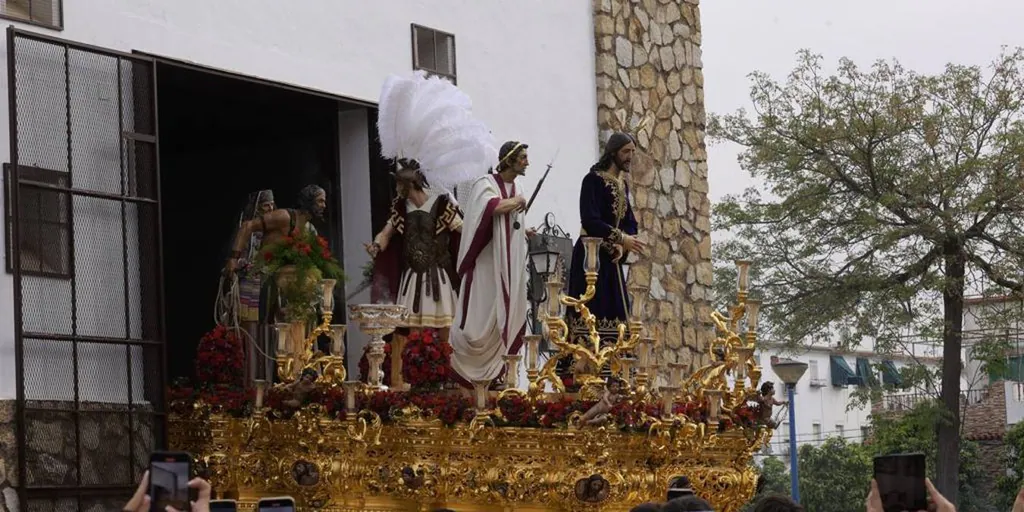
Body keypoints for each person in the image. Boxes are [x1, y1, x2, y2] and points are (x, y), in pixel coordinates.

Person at [449, 141, 532, 385]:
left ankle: (500, 372)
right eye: (523, 158)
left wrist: (526, 231)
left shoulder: (518, 186)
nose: (527, 162)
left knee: (506, 312)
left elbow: (512, 223)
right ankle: (469, 369)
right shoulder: (485, 184)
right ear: (509, 159)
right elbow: (488, 209)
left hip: (510, 264)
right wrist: (516, 202)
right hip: (486, 262)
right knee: (480, 314)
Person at [366, 159, 462, 340]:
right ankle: (414, 367)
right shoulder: (401, 209)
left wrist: (488, 229)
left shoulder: (442, 205)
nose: (396, 189)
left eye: (398, 184)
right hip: (412, 276)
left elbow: (463, 229)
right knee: (413, 333)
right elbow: (386, 234)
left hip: (438, 275)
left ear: (408, 184)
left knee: (445, 331)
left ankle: (444, 366)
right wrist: (377, 245)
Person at [568, 132, 645, 324]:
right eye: (626, 151)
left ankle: (613, 353)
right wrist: (620, 238)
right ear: (613, 153)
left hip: (612, 259)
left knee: (616, 316)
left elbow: (630, 222)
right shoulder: (592, 180)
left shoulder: (622, 185)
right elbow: (590, 220)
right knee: (591, 312)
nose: (630, 156)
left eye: (633, 152)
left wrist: (623, 244)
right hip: (590, 256)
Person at [226, 184, 327, 326]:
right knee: (257, 329)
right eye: (320, 201)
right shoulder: (284, 216)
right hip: (261, 279)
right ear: (309, 200)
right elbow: (247, 226)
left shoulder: (309, 229)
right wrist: (233, 259)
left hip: (286, 286)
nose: (324, 205)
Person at [235, 189, 275, 381]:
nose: (271, 208)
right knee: (249, 335)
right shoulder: (247, 229)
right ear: (258, 207)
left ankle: (267, 383)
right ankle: (250, 384)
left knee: (269, 334)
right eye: (267, 205)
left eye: (273, 205)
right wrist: (246, 265)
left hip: (267, 287)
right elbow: (237, 259)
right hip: (248, 287)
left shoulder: (275, 232)